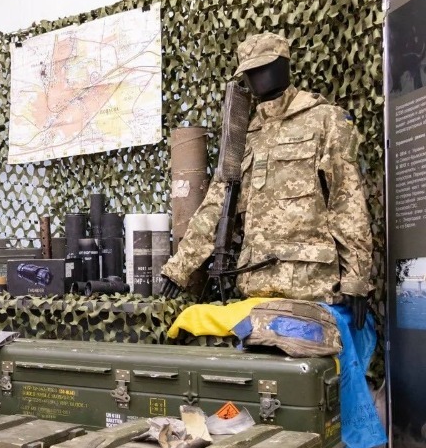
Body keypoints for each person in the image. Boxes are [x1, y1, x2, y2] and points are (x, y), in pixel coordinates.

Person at [158, 32, 372, 329]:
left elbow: (347, 201)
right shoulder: (243, 135)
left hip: (311, 288)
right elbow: (215, 207)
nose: (257, 78)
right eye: (250, 72)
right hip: (256, 291)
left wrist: (356, 280)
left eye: (265, 67)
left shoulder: (325, 119)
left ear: (284, 64)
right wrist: (178, 269)